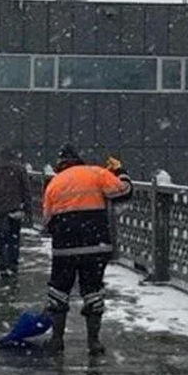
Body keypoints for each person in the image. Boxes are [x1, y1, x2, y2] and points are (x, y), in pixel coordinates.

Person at [41, 144, 132, 356]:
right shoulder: (97, 172)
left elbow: (46, 221)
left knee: (59, 291)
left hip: (65, 248)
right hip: (95, 244)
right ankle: (94, 342)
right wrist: (120, 172)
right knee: (93, 290)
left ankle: (57, 340)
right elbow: (123, 192)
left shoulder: (54, 183)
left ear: (59, 165)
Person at [0, 148, 31, 277]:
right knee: (14, 237)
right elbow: (27, 190)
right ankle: (13, 265)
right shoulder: (20, 169)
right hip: (15, 208)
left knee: (3, 239)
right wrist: (27, 209)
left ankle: (3, 266)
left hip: (0, 209)